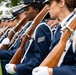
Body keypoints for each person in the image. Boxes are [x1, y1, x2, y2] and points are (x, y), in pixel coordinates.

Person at [0, 1, 52, 75]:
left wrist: (17, 68)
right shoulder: (33, 27)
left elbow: (39, 58)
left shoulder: (42, 28)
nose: (25, 13)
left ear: (36, 10)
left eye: (27, 9)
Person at [32, 0, 76, 75]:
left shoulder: (72, 28)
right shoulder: (62, 27)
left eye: (50, 4)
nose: (47, 8)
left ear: (61, 3)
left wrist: (52, 71)